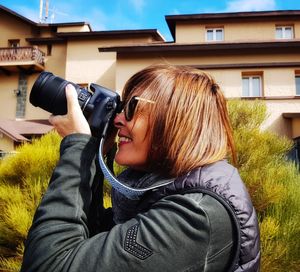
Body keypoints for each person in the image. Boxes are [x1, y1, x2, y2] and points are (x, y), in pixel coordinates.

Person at [21, 64, 260, 272]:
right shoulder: (162, 191)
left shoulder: (196, 216)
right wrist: (95, 148)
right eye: (121, 108)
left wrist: (77, 147)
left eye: (132, 107)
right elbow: (90, 238)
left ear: (176, 120)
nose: (117, 119)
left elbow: (48, 265)